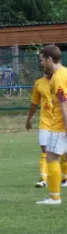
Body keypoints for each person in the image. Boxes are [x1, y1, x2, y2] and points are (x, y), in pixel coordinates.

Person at [37, 45, 67, 205]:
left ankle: (54, 197)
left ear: (49, 59)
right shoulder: (65, 73)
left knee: (52, 157)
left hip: (59, 125)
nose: (41, 63)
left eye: (42, 60)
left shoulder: (58, 77)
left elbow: (64, 103)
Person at [25, 71, 65, 188]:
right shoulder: (39, 83)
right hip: (45, 122)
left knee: (62, 151)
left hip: (59, 122)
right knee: (44, 149)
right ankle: (43, 179)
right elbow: (34, 103)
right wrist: (28, 119)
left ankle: (65, 178)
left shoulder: (61, 80)